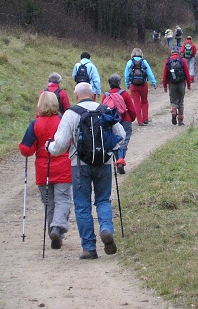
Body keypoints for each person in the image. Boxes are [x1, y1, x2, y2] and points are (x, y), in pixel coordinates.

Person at [47, 83, 126, 260]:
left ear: (76, 96)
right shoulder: (105, 109)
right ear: (93, 95)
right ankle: (106, 229)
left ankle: (89, 248)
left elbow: (59, 146)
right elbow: (120, 135)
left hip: (79, 166)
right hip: (104, 163)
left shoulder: (71, 113)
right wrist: (109, 149)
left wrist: (48, 147)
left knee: (82, 205)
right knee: (103, 200)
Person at [19, 91, 72, 249]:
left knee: (49, 203)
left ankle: (53, 231)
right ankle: (57, 228)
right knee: (63, 199)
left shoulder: (34, 124)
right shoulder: (62, 120)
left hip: (43, 169)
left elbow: (26, 150)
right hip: (63, 166)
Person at [104, 74, 136, 174]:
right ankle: (120, 160)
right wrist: (130, 119)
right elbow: (131, 109)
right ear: (119, 83)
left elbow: (103, 110)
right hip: (124, 120)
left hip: (111, 121)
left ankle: (117, 160)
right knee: (124, 141)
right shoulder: (124, 94)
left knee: (114, 141)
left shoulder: (106, 95)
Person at [124, 48, 157, 126]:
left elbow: (126, 75)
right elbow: (149, 73)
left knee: (136, 102)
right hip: (143, 84)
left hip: (133, 85)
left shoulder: (129, 62)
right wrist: (154, 82)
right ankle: (145, 118)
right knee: (144, 101)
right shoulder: (144, 62)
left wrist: (127, 84)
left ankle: (139, 121)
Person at [162, 47, 192, 126]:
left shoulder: (168, 61)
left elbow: (165, 74)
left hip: (171, 84)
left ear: (171, 52)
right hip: (181, 83)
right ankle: (180, 121)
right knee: (181, 102)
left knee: (173, 100)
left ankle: (174, 112)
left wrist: (164, 86)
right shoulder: (182, 60)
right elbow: (186, 73)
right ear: (178, 52)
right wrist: (189, 84)